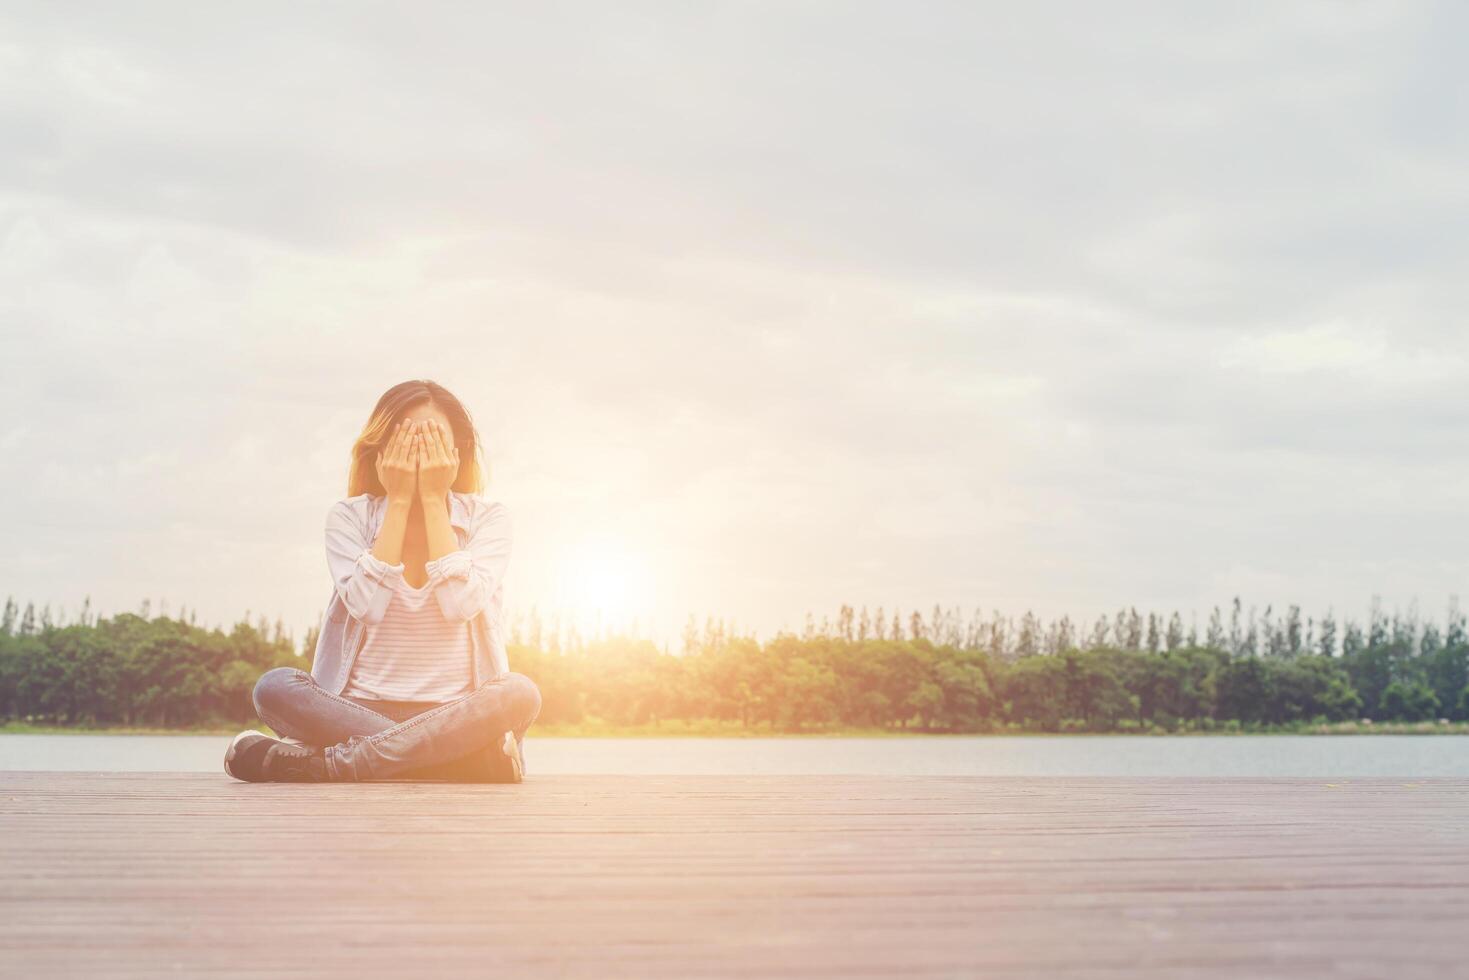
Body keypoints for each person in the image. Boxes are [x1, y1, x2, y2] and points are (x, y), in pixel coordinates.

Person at [224, 380, 541, 783]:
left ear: (456, 453)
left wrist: (431, 500)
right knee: (274, 687)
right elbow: (367, 606)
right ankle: (459, 761)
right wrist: (401, 500)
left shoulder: (489, 518)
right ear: (381, 450)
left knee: (519, 693)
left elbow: (459, 604)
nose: (419, 453)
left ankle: (330, 765)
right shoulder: (348, 517)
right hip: (354, 709)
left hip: (454, 713)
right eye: (406, 441)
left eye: (431, 441)